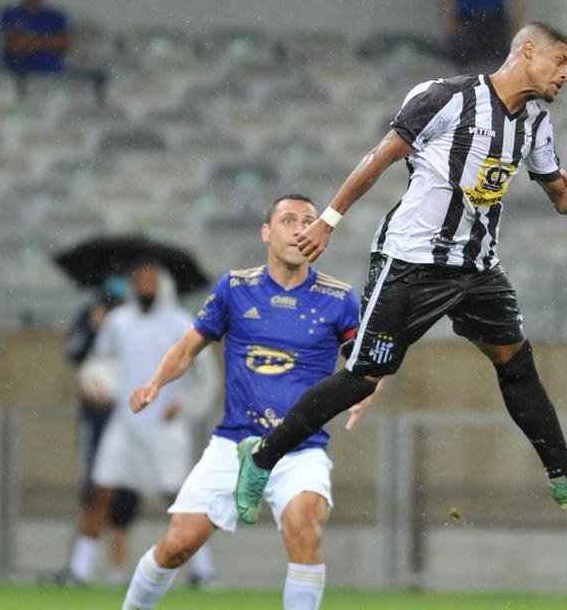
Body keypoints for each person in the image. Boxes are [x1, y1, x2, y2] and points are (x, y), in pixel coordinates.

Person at [232, 23, 567, 533]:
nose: (565, 75)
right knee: (363, 378)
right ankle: (262, 457)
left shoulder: (536, 121)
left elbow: (562, 200)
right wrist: (328, 221)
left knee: (516, 362)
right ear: (527, 50)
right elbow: (379, 158)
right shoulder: (445, 97)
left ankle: (565, 474)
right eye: (560, 62)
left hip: (478, 267)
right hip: (411, 263)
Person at [120, 195, 365, 610]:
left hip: (299, 447)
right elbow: (188, 348)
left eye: (309, 221)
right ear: (266, 232)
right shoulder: (235, 288)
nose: (300, 229)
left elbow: (367, 366)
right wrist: (155, 383)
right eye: (288, 220)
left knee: (304, 527)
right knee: (178, 545)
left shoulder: (339, 299)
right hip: (234, 443)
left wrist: (365, 396)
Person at [61, 261, 219, 587]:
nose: (144, 288)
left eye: (150, 282)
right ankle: (79, 570)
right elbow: (100, 364)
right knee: (101, 492)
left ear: (162, 286)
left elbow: (207, 376)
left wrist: (185, 405)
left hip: (163, 426)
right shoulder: (118, 322)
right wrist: (93, 385)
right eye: (139, 282)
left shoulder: (180, 323)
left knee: (178, 498)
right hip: (124, 423)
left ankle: (202, 571)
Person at [62, 276, 143, 585]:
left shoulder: (137, 321)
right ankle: (81, 567)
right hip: (99, 417)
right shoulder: (90, 315)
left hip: (131, 417)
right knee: (97, 491)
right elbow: (74, 353)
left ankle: (118, 569)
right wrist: (95, 327)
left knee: (127, 494)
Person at [0, 0, 107, 100]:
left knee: (100, 78)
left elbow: (65, 44)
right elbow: (15, 45)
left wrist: (29, 41)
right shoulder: (10, 13)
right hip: (21, 75)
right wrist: (49, 42)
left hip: (54, 75)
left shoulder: (56, 15)